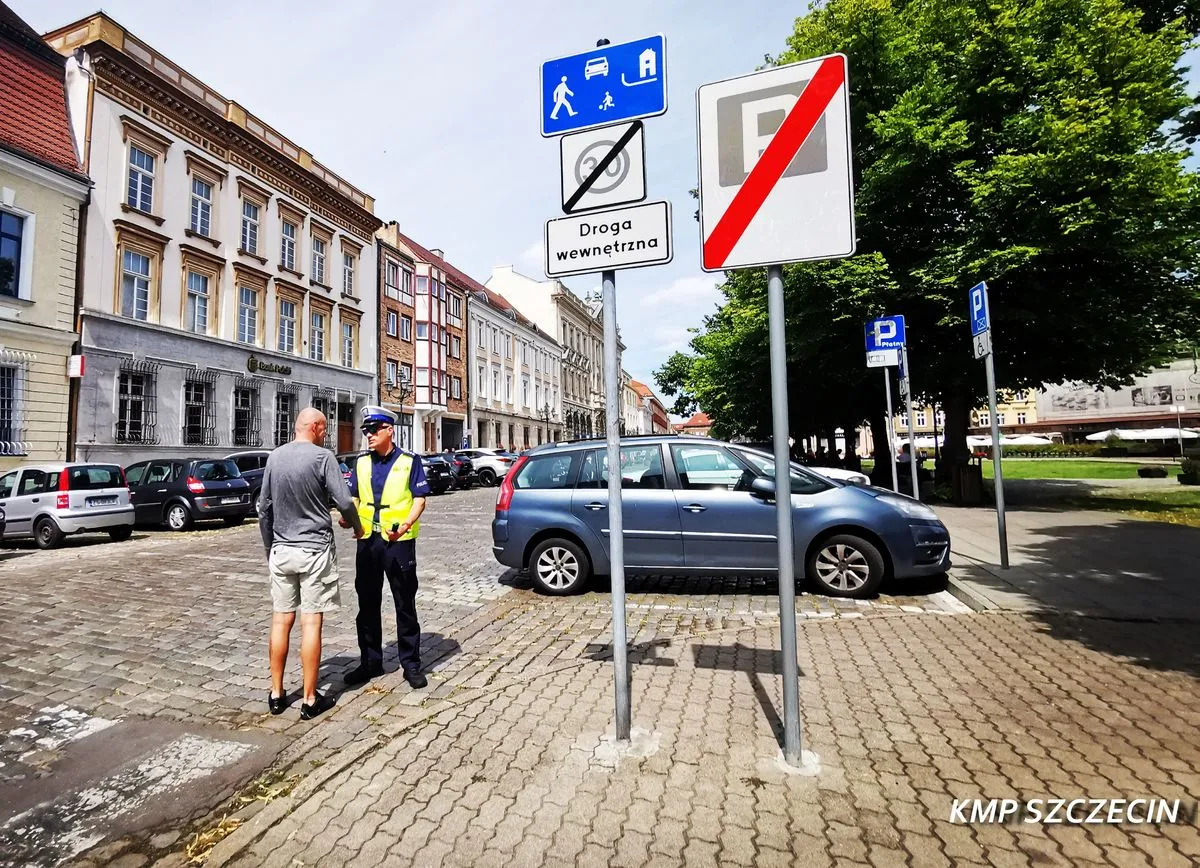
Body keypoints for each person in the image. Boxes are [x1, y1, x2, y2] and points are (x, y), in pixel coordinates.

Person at [259, 408, 363, 720]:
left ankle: (276, 694)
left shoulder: (275, 458)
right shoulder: (322, 457)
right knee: (311, 623)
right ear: (315, 427)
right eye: (325, 428)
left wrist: (270, 548)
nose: (326, 434)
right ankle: (308, 698)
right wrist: (356, 526)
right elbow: (344, 501)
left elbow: (264, 508)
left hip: (282, 550)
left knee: (280, 621)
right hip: (314, 550)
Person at [343, 406, 432, 689]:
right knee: (366, 603)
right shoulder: (361, 463)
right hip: (368, 541)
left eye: (374, 430)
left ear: (389, 430)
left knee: (404, 603)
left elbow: (420, 499)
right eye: (366, 430)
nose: (368, 435)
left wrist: (405, 525)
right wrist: (349, 518)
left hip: (399, 542)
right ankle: (370, 662)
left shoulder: (409, 461)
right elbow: (355, 497)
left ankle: (411, 663)